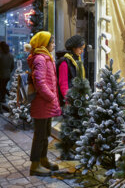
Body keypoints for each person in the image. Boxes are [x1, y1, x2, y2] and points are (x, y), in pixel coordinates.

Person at [27, 31, 61, 176]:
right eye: (52, 42)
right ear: (44, 44)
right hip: (42, 103)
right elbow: (39, 82)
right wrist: (51, 96)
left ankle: (43, 159)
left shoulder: (46, 57)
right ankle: (35, 165)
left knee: (45, 133)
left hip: (46, 103)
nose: (54, 45)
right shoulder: (40, 59)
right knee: (40, 135)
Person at [56, 35, 86, 105]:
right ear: (73, 48)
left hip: (77, 99)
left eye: (83, 49)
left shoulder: (77, 60)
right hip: (69, 101)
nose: (82, 51)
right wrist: (68, 100)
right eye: (80, 48)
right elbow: (63, 83)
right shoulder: (64, 61)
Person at [0, 41, 14, 114]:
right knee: (3, 88)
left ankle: (0, 108)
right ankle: (7, 98)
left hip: (0, 75)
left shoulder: (0, 55)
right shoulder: (11, 56)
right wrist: (8, 72)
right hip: (7, 75)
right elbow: (12, 66)